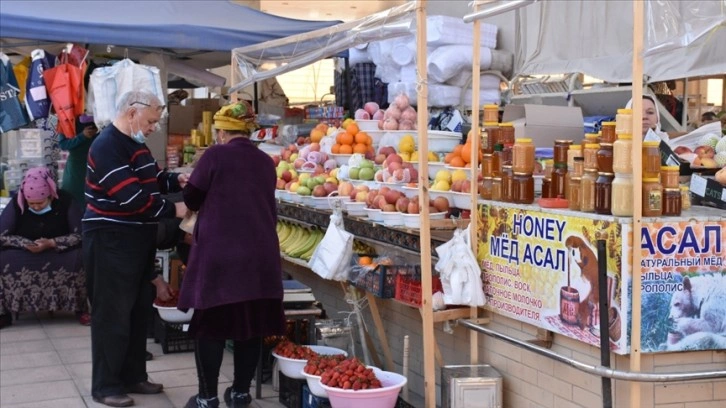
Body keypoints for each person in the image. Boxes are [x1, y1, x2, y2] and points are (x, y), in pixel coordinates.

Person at [83, 90, 188, 408]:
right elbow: (133, 200)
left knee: (137, 310)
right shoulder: (107, 145)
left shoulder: (135, 143)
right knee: (112, 314)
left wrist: (176, 180)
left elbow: (151, 179)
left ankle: (133, 376)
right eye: (152, 120)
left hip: (137, 239)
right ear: (132, 112)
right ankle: (105, 385)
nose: (155, 126)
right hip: (110, 239)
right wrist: (179, 211)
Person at [178, 101, 286, 408]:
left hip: (222, 257)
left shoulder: (215, 155)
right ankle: (240, 394)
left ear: (223, 132)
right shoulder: (266, 162)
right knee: (249, 326)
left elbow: (191, 198)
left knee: (210, 326)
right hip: (260, 256)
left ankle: (207, 397)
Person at [0, 167, 87, 328]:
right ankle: (4, 313)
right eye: (31, 204)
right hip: (24, 253)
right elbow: (2, 234)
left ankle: (80, 309)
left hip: (58, 252)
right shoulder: (17, 203)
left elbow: (80, 234)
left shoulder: (66, 201)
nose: (36, 207)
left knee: (80, 258)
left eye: (40, 203)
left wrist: (52, 242)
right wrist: (24, 243)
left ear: (50, 195)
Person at [58, 116, 98, 210]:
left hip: (97, 166)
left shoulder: (102, 114)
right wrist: (82, 136)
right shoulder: (66, 116)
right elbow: (63, 144)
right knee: (74, 205)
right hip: (76, 171)